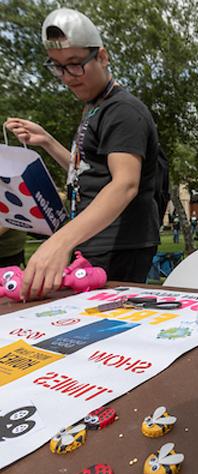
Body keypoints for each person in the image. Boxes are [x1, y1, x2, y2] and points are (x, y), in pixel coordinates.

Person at [4, 8, 160, 298]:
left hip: (119, 244)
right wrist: (48, 141)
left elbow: (125, 184)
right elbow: (87, 172)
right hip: (92, 240)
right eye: (57, 67)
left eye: (75, 64)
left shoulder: (122, 110)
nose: (67, 77)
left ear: (102, 56)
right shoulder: (94, 107)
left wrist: (59, 242)